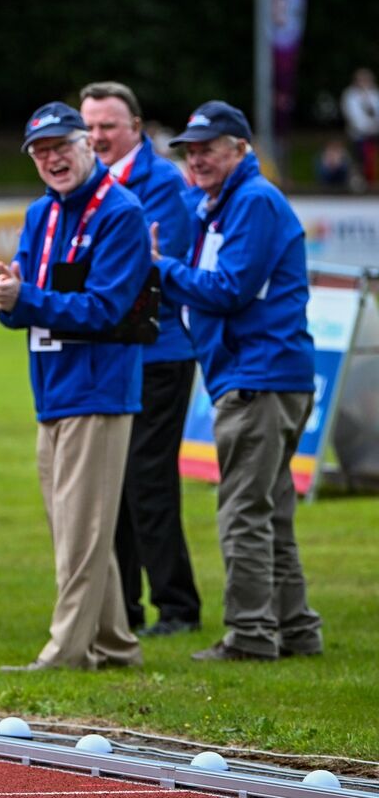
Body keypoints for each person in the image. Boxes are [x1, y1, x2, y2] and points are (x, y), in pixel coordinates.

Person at [0, 101, 149, 672]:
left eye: (60, 147)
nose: (52, 159)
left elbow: (107, 308)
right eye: (40, 152)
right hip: (52, 388)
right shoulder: (39, 215)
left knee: (80, 533)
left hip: (99, 388)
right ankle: (117, 643)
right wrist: (10, 301)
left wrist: (24, 300)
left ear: (87, 146)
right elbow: (21, 305)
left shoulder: (120, 212)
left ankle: (67, 652)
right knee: (77, 527)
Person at [156, 101, 323, 662]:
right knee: (270, 507)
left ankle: (250, 635)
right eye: (190, 149)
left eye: (207, 147)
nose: (196, 158)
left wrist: (161, 269)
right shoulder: (226, 201)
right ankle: (296, 629)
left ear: (240, 148)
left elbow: (228, 289)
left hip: (259, 376)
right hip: (264, 372)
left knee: (244, 511)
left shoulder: (250, 201)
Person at [79, 82, 201, 637]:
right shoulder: (92, 183)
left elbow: (156, 267)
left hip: (159, 352)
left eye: (109, 125)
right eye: (92, 127)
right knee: (116, 485)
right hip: (114, 352)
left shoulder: (160, 183)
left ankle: (176, 607)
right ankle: (125, 607)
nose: (99, 136)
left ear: (136, 127)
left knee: (148, 482)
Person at [340, 68, 379, 185]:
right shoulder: (350, 95)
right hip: (358, 135)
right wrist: (369, 127)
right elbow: (354, 117)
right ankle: (359, 180)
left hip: (376, 133)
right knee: (360, 157)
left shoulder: (375, 94)